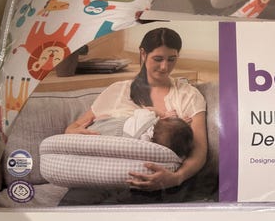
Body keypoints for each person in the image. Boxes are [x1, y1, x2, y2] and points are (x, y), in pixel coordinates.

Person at [65, 26, 207, 193]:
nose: (164, 67)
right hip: (100, 178)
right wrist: (75, 133)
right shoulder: (118, 91)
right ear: (143, 54)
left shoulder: (188, 95)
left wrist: (176, 178)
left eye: (171, 59)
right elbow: (73, 128)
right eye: (158, 59)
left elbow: (199, 150)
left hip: (159, 186)